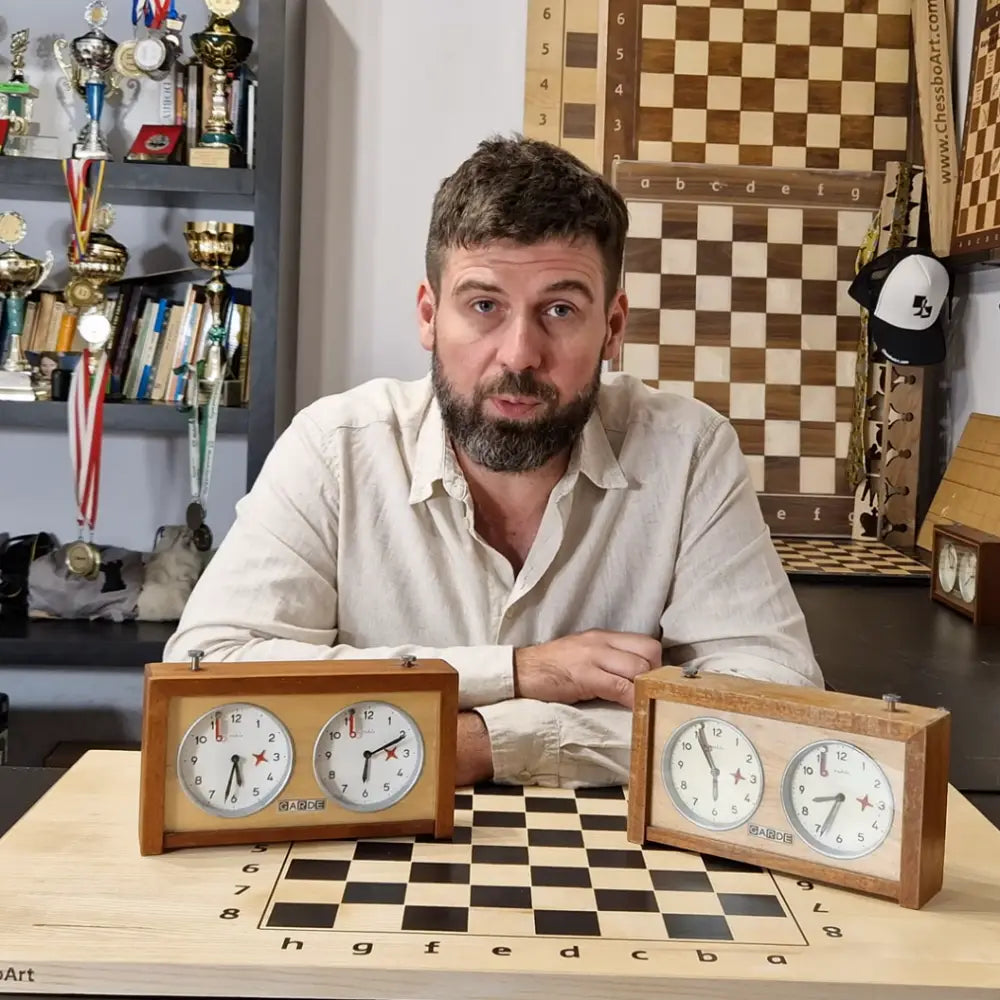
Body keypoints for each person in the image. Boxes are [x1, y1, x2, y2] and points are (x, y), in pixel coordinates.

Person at [163, 134, 823, 788]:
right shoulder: (334, 447)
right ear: (429, 314)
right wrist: (521, 671)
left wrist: (484, 741)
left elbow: (778, 707)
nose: (518, 354)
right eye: (484, 305)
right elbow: (206, 679)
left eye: (560, 310)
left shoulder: (689, 451)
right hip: (374, 854)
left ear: (613, 328)